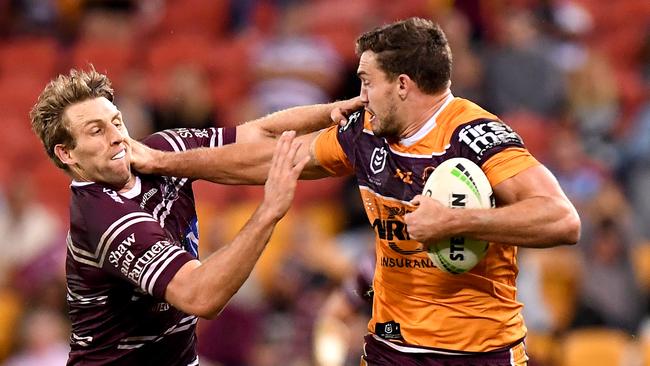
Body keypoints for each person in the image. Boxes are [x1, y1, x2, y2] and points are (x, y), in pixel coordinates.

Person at [131, 18, 581, 365]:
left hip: (480, 351)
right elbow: (267, 159)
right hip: (392, 349)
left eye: (367, 81)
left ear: (402, 85)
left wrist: (459, 220)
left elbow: (562, 220)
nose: (358, 94)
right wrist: (163, 162)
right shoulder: (365, 133)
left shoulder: (475, 136)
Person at [29, 68, 361, 365]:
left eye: (117, 121)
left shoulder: (158, 151)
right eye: (96, 131)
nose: (116, 136)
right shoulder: (102, 217)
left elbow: (254, 135)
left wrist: (332, 113)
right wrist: (269, 211)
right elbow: (201, 296)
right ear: (66, 153)